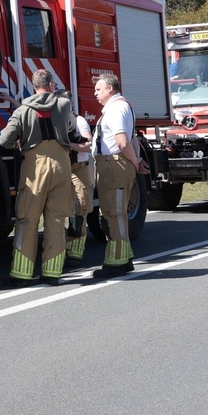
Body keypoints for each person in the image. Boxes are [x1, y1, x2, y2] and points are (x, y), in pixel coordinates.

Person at [0, 69, 76, 287]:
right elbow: (71, 127)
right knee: (57, 220)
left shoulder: (23, 110)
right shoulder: (64, 105)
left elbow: (4, 139)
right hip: (61, 165)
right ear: (51, 85)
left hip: (35, 168)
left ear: (33, 87)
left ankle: (21, 274)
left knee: (27, 220)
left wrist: (18, 141)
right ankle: (52, 273)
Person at [92, 73, 149, 278]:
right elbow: (132, 139)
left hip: (113, 165)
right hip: (116, 165)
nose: (95, 93)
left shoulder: (116, 109)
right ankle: (124, 259)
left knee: (113, 215)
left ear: (110, 88)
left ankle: (115, 263)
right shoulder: (121, 107)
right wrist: (136, 162)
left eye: (98, 89)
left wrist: (134, 162)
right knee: (119, 214)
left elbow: (123, 141)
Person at [55, 90, 94, 267]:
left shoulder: (79, 121)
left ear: (70, 104)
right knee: (59, 209)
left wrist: (66, 145)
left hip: (78, 169)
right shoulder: (55, 121)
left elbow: (88, 145)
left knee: (79, 209)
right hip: (62, 170)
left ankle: (75, 254)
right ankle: (60, 249)